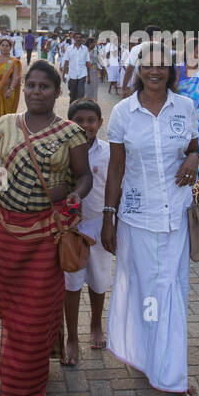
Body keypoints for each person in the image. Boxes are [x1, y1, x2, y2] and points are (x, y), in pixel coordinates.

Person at [0, 60, 91, 396]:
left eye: (44, 86)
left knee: (34, 311)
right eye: (31, 86)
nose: (36, 92)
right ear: (24, 90)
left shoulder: (70, 132)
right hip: (7, 231)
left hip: (47, 234)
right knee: (2, 296)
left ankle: (26, 384)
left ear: (57, 91)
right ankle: (27, 355)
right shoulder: (5, 125)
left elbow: (85, 177)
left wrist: (72, 197)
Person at [102, 40, 199, 396]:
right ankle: (147, 358)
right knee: (147, 290)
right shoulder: (123, 113)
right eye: (148, 65)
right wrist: (108, 217)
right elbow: (116, 167)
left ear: (171, 70)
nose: (155, 71)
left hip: (175, 215)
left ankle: (170, 374)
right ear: (138, 69)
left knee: (170, 290)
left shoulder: (185, 107)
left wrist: (194, 158)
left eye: (162, 65)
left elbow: (192, 147)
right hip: (136, 217)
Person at [61, 99, 112, 366]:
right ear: (69, 124)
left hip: (99, 224)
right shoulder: (63, 150)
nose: (85, 125)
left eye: (91, 120)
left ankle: (95, 323)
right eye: (78, 120)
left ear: (100, 123)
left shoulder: (109, 152)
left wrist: (111, 222)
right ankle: (71, 337)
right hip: (71, 228)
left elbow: (117, 187)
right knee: (71, 282)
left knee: (99, 281)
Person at [63, 33, 90, 101]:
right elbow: (66, 62)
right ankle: (72, 108)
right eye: (77, 37)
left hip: (82, 74)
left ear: (82, 39)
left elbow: (87, 63)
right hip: (72, 74)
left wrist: (89, 76)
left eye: (80, 37)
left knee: (81, 93)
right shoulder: (69, 49)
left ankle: (79, 108)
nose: (78, 39)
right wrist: (64, 75)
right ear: (74, 39)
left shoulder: (85, 49)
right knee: (73, 94)